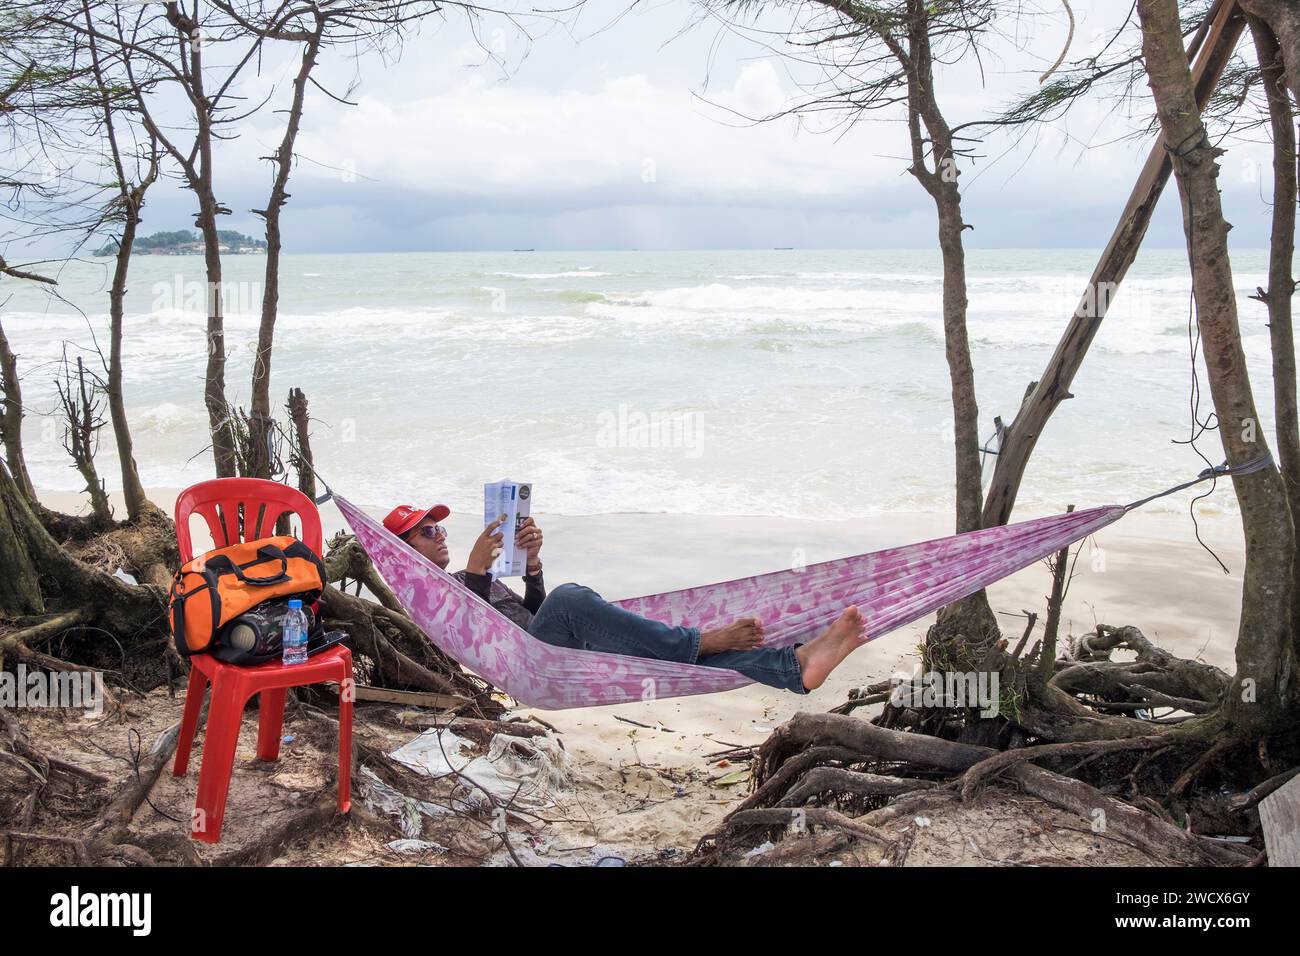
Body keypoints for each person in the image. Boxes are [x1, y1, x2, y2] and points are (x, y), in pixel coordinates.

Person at [383, 502, 868, 693]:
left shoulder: (462, 582)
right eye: (427, 531)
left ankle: (794, 667)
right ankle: (701, 640)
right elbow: (471, 631)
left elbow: (528, 616)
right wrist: (473, 570)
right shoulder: (429, 595)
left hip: (545, 646)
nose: (439, 533)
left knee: (650, 653)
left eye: (440, 525)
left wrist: (532, 568)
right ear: (406, 551)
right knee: (573, 597)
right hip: (530, 662)